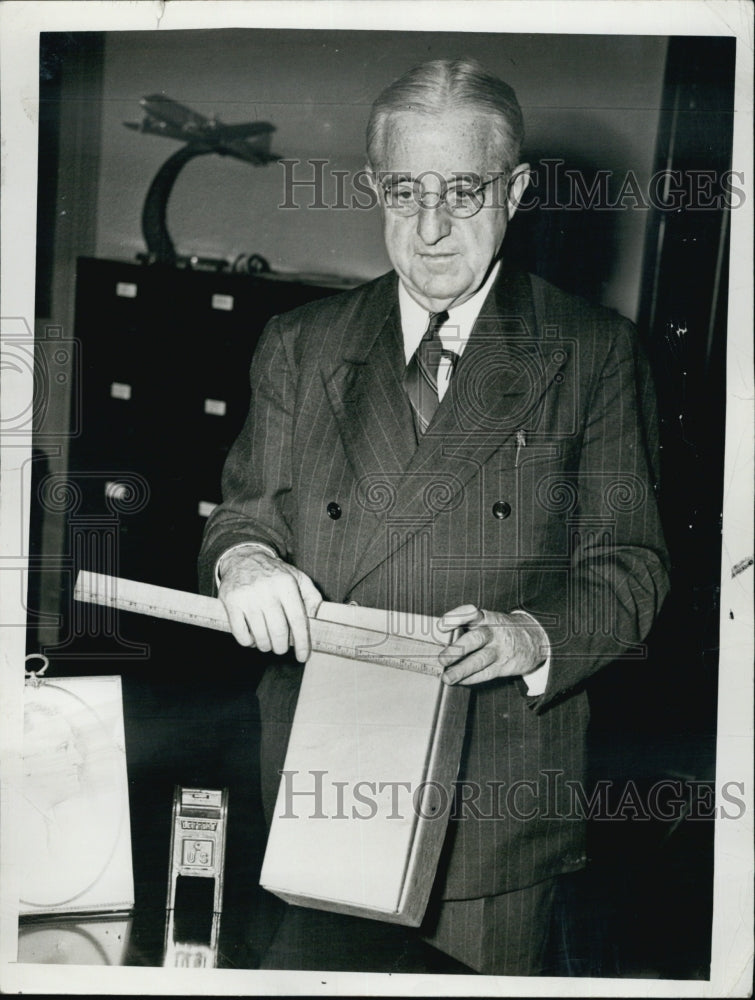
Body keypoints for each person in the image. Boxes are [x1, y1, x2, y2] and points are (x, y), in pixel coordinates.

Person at [198, 58, 670, 976]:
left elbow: (630, 568)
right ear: (376, 187)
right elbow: (240, 515)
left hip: (492, 803)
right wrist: (245, 563)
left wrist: (529, 634)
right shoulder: (301, 344)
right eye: (406, 190)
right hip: (323, 779)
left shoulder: (593, 352)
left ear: (517, 191)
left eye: (462, 191)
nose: (429, 227)